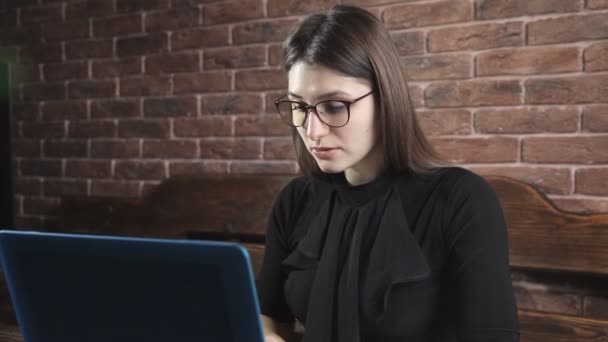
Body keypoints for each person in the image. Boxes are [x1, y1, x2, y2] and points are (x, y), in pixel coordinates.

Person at [257, 5, 520, 342]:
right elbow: (269, 316)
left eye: (334, 106)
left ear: (385, 97)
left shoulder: (461, 199)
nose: (313, 130)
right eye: (299, 107)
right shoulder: (295, 201)